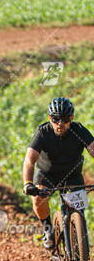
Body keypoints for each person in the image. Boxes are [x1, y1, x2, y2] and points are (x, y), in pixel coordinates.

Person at [22, 97, 94, 249]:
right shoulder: (43, 132)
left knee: (79, 214)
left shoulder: (79, 130)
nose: (60, 123)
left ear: (71, 118)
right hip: (47, 175)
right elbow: (29, 160)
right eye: (55, 119)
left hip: (73, 175)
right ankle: (47, 228)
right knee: (38, 199)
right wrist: (28, 184)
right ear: (49, 118)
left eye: (65, 119)